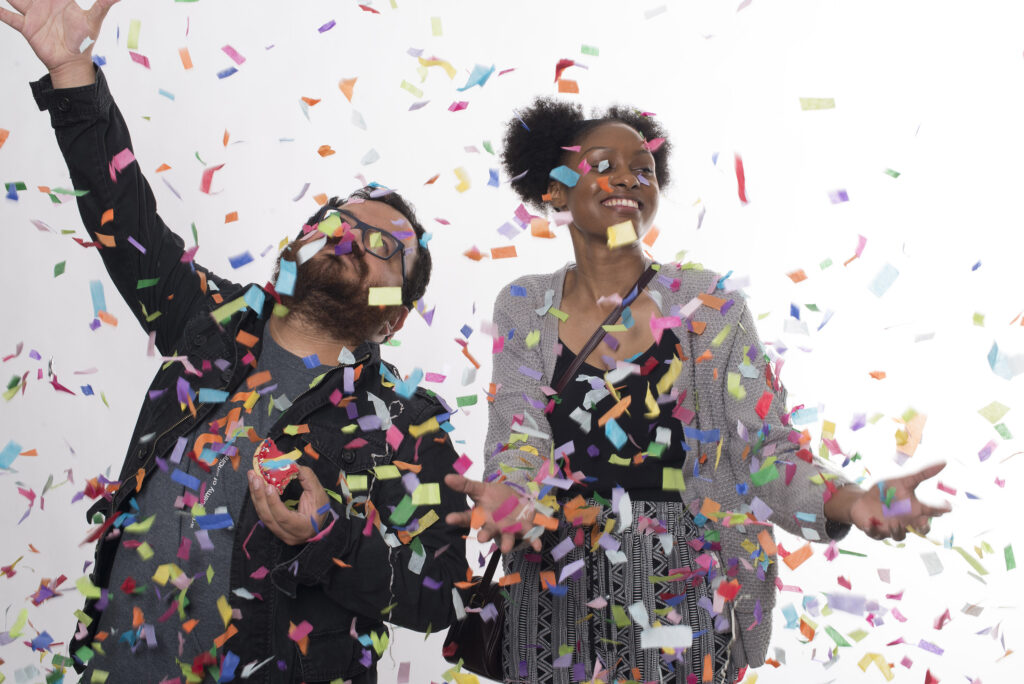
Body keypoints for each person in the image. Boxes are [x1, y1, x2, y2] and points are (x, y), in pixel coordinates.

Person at [1, 1, 469, 682]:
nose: (351, 239)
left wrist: (332, 538)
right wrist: (74, 75)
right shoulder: (205, 321)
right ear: (297, 245)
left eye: (383, 250)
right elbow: (122, 212)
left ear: (394, 318)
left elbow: (444, 596)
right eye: (338, 222)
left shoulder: (407, 421)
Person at [444, 97, 951, 683]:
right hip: (552, 586)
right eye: (603, 163)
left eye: (644, 167)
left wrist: (853, 501)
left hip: (680, 588)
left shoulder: (710, 306)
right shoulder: (523, 303)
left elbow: (766, 453)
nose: (629, 177)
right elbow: (519, 428)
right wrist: (512, 494)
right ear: (553, 190)